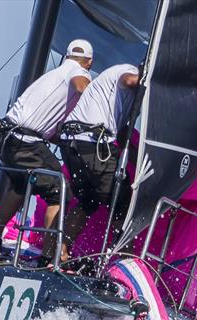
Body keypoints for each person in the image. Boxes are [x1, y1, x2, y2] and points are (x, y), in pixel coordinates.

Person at [0, 39, 93, 257]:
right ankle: (49, 254)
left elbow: (46, 123)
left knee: (21, 186)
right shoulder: (79, 72)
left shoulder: (53, 74)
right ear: (89, 62)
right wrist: (95, 96)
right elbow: (81, 87)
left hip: (7, 136)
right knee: (59, 191)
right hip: (26, 141)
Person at [58, 63, 140, 264]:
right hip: (91, 141)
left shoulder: (124, 99)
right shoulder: (130, 72)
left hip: (73, 142)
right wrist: (153, 81)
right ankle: (124, 260)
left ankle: (60, 253)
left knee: (89, 201)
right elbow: (129, 81)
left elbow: (121, 133)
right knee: (123, 199)